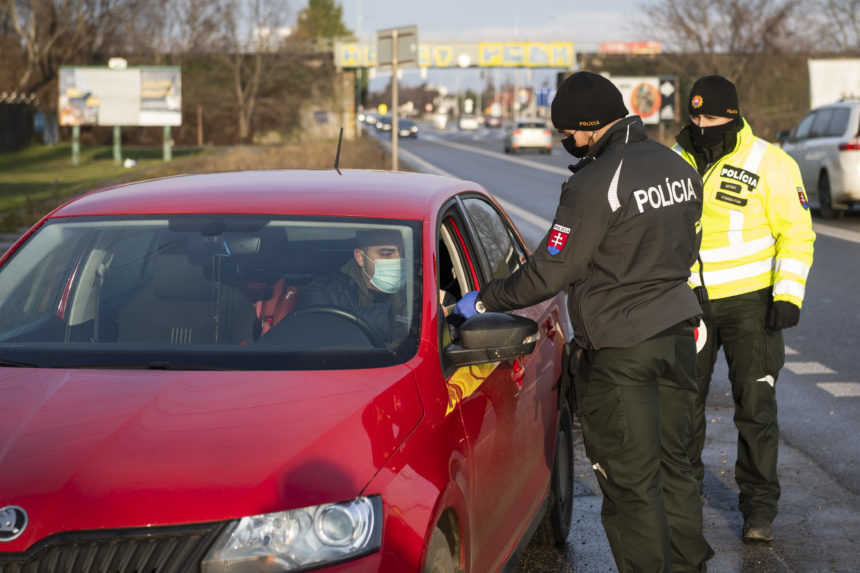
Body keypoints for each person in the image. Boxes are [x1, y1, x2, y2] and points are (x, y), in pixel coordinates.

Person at [453, 71, 713, 573]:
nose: (566, 143)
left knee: (630, 481)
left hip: (622, 350)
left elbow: (551, 270)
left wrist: (484, 300)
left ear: (588, 126)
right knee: (677, 468)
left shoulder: (595, 182)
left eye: (567, 133)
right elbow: (689, 242)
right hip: (679, 338)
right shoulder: (676, 166)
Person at [672, 75, 815, 543]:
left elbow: (795, 233)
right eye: (694, 116)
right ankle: (683, 500)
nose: (701, 124)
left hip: (752, 306)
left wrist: (787, 295)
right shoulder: (676, 160)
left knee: (755, 409)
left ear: (732, 116)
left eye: (710, 117)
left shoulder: (771, 163)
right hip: (690, 303)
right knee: (682, 407)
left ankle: (758, 512)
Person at [300, 228, 408, 344]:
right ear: (360, 257)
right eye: (386, 254)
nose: (398, 261)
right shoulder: (325, 291)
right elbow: (324, 336)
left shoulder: (419, 288)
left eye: (403, 254)